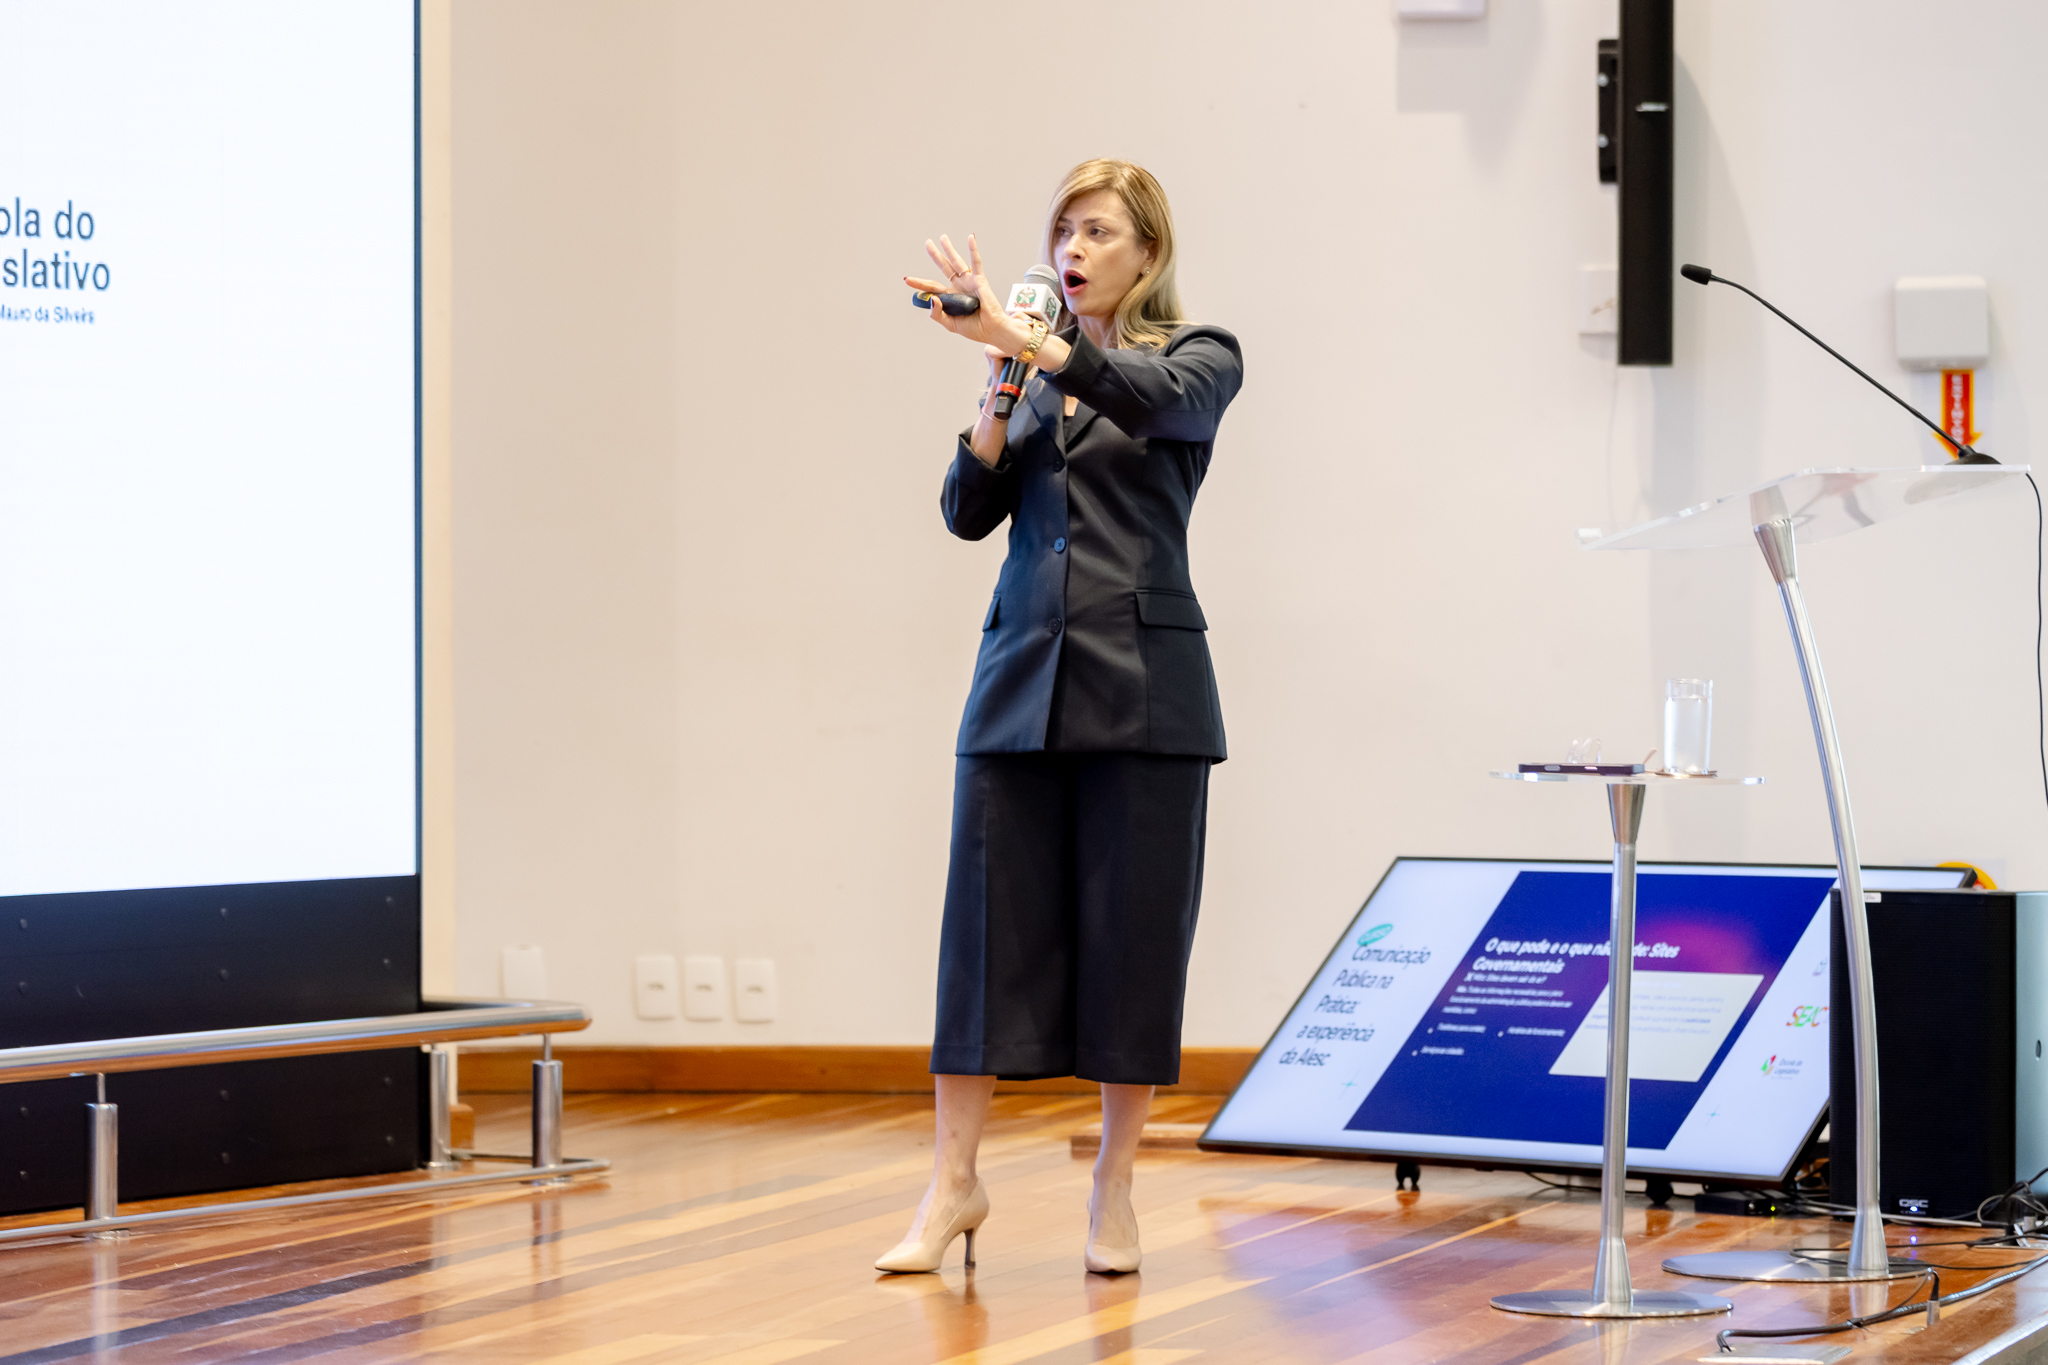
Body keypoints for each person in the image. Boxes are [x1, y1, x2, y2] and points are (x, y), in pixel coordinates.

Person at [879, 159, 1243, 1276]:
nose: (1071, 250)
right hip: (1017, 683)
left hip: (1147, 692)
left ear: (1148, 251)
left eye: (1096, 231)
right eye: (1061, 231)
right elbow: (966, 511)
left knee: (1134, 944)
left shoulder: (1200, 357)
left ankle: (1114, 1186)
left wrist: (1030, 342)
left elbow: (1145, 400)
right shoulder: (1028, 377)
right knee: (979, 943)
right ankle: (953, 1184)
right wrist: (996, 385)